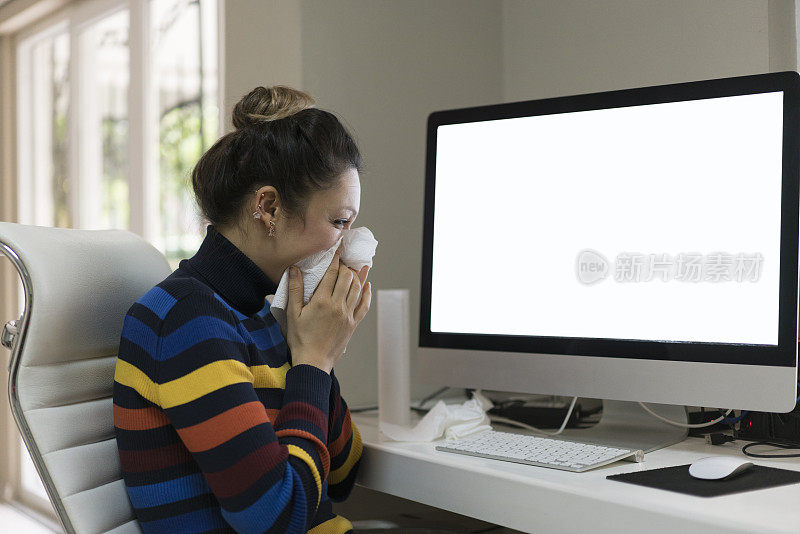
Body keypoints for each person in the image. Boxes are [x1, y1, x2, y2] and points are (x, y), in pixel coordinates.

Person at [112, 85, 371, 533]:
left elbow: (345, 472)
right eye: (338, 222)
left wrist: (318, 352)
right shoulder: (186, 320)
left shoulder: (261, 317)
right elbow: (277, 519)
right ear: (268, 207)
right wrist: (312, 364)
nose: (349, 244)